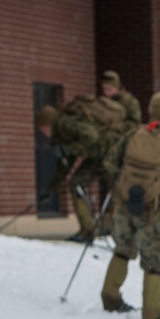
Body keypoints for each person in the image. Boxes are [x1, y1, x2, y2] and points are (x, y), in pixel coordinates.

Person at [101, 92, 160, 319]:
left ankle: (110, 297)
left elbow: (109, 163)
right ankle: (151, 313)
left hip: (125, 204)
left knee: (122, 251)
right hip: (154, 209)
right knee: (153, 263)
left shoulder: (132, 135)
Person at [35, 96, 127, 243]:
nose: (42, 132)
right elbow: (64, 167)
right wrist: (50, 190)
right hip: (99, 155)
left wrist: (69, 149)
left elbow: (91, 136)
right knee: (77, 184)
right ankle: (89, 230)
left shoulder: (66, 125)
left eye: (43, 127)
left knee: (112, 192)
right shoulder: (60, 134)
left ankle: (107, 233)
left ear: (49, 123)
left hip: (109, 154)